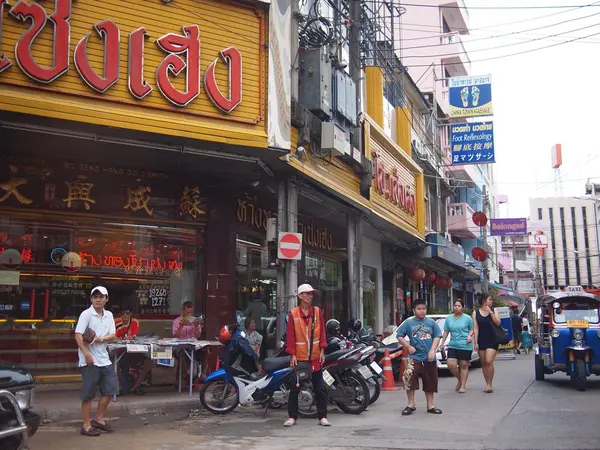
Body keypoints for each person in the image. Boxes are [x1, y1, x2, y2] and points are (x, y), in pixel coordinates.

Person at [74, 286, 118, 437]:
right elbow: (78, 335)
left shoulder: (109, 315)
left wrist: (101, 339)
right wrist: (86, 353)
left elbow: (113, 335)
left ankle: (98, 419)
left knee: (111, 390)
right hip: (90, 361)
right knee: (88, 395)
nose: (98, 299)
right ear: (91, 299)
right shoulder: (86, 314)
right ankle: (86, 426)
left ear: (106, 299)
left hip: (104, 359)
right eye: (95, 297)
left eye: (101, 297)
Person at [284, 283, 330, 427]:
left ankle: (322, 416)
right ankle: (292, 417)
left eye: (311, 294)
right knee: (295, 388)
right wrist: (292, 355)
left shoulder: (317, 312)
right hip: (300, 357)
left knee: (320, 388)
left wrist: (322, 350)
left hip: (315, 356)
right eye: (307, 294)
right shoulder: (293, 314)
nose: (310, 296)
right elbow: (290, 336)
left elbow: (322, 332)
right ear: (300, 296)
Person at [396, 299, 443, 415]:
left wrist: (432, 350)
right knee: (409, 378)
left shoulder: (431, 323)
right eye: (419, 309)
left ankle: (430, 405)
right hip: (413, 356)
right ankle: (411, 404)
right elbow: (399, 336)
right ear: (414, 310)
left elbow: (437, 336)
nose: (422, 311)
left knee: (430, 381)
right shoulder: (408, 323)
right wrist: (408, 346)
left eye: (424, 309)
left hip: (429, 358)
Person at [115, 309, 152, 395]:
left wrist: (131, 338)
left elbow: (135, 336)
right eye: (122, 313)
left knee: (148, 362)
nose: (125, 315)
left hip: (133, 349)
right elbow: (114, 336)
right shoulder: (115, 321)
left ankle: (137, 386)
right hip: (120, 350)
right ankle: (119, 388)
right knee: (114, 363)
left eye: (127, 313)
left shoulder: (135, 322)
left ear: (130, 314)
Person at [440, 299, 474, 393]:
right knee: (451, 364)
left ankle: (462, 385)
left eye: (459, 306)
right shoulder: (449, 318)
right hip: (453, 344)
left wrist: (469, 335)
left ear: (462, 307)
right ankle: (460, 379)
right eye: (455, 305)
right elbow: (446, 331)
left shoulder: (467, 318)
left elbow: (472, 329)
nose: (456, 307)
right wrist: (442, 343)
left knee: (463, 365)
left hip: (465, 345)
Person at [473, 294, 502, 393]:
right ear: (484, 300)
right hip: (481, 339)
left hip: (492, 339)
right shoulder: (475, 313)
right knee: (484, 363)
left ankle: (490, 384)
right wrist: (476, 342)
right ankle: (487, 383)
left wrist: (491, 313)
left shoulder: (494, 310)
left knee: (489, 361)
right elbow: (476, 328)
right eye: (490, 299)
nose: (491, 301)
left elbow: (498, 323)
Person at [172, 301, 202, 386]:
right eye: (187, 312)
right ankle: (187, 374)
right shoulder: (176, 321)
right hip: (180, 346)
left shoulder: (194, 321)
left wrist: (197, 327)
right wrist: (181, 326)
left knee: (203, 352)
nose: (189, 314)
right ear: (183, 310)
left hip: (192, 346)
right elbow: (176, 336)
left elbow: (198, 336)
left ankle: (197, 375)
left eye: (190, 312)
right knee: (181, 353)